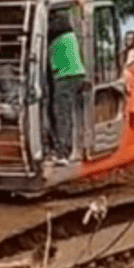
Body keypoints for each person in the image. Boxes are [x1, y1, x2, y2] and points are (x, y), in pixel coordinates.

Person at [47, 9, 86, 161]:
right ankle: (73, 148)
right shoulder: (69, 36)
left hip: (64, 76)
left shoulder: (53, 36)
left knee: (61, 114)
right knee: (71, 114)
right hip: (77, 74)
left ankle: (63, 151)